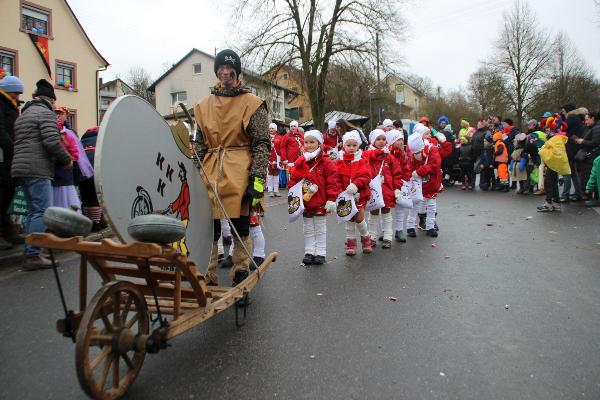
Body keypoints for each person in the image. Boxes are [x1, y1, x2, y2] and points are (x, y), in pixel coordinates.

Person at [192, 49, 270, 288]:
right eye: (221, 69)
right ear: (217, 71)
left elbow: (261, 143)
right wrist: (193, 171)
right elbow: (200, 143)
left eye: (230, 69)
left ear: (236, 73)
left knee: (240, 225)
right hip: (210, 170)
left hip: (240, 169)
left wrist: (257, 180)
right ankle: (208, 273)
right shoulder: (204, 105)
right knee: (209, 227)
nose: (225, 73)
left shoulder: (252, 103)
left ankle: (240, 270)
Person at [11, 79, 72, 270]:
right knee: (41, 212)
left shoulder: (24, 115)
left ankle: (33, 250)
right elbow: (52, 142)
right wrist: (67, 159)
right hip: (37, 168)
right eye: (54, 102)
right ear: (50, 100)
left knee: (32, 211)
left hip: (21, 168)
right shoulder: (45, 114)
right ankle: (34, 254)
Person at [288, 129, 338, 264]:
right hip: (306, 201)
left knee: (320, 228)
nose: (309, 145)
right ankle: (309, 251)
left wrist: (332, 198)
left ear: (319, 144)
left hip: (321, 201)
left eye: (312, 142)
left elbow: (332, 181)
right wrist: (293, 190)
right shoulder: (300, 161)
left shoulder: (326, 161)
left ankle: (320, 252)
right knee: (308, 228)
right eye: (306, 142)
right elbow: (293, 179)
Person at [336, 130, 372, 255]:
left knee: (359, 218)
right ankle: (350, 244)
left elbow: (367, 176)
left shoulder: (363, 159)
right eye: (348, 145)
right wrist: (342, 192)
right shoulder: (339, 161)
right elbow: (337, 179)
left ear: (358, 146)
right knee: (349, 219)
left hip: (360, 195)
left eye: (354, 145)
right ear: (343, 145)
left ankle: (366, 238)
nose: (351, 148)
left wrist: (356, 185)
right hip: (346, 196)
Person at [0, 75, 25, 249]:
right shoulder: (2, 104)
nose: (18, 96)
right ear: (8, 91)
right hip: (3, 156)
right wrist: (13, 149)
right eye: (16, 92)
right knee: (1, 196)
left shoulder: (11, 105)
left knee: (8, 194)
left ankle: (8, 231)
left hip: (10, 158)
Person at [365, 129, 401, 249]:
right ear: (372, 141)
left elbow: (396, 173)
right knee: (373, 213)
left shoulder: (389, 157)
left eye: (383, 139)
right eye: (378, 139)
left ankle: (388, 237)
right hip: (373, 190)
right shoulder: (367, 155)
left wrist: (397, 188)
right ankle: (372, 237)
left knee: (386, 213)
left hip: (386, 190)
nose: (381, 141)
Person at [406, 123, 442, 238]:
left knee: (431, 205)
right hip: (418, 184)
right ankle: (410, 226)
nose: (417, 155)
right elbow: (410, 166)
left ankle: (430, 226)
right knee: (415, 205)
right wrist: (410, 175)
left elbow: (434, 164)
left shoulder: (432, 149)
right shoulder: (414, 152)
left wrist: (419, 172)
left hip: (430, 183)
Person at [52, 107, 81, 210]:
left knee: (66, 198)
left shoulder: (69, 134)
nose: (58, 115)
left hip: (65, 171)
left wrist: (68, 160)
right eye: (56, 113)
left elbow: (75, 153)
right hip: (53, 173)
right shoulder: (50, 133)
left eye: (60, 113)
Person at [79, 126, 106, 231]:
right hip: (96, 172)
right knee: (96, 199)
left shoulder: (82, 140)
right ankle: (96, 224)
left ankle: (87, 222)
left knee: (85, 199)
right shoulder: (101, 140)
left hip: (81, 173)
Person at [386, 129, 411, 242]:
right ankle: (385, 231)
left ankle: (399, 230)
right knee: (385, 208)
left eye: (401, 139)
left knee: (400, 208)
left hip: (399, 183)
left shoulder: (403, 154)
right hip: (388, 183)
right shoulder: (386, 154)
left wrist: (407, 178)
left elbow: (406, 168)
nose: (401, 142)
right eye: (397, 140)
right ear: (391, 142)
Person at [560, 104, 587, 202]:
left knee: (566, 172)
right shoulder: (577, 118)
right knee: (573, 172)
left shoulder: (571, 117)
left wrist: (560, 120)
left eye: (563, 111)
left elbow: (563, 128)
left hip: (570, 148)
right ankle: (578, 193)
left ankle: (565, 195)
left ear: (568, 111)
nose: (562, 113)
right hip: (575, 148)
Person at [574, 111, 600, 194]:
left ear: (593, 118)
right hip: (590, 156)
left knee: (591, 175)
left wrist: (582, 141)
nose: (585, 122)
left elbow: (595, 142)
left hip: (592, 156)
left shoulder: (597, 128)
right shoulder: (592, 128)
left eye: (587, 119)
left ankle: (592, 195)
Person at [266, 122, 282, 197]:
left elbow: (281, 148)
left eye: (272, 128)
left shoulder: (279, 137)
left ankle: (276, 190)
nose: (271, 129)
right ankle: (270, 191)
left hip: (277, 158)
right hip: (269, 157)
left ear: (275, 129)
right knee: (270, 174)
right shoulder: (266, 137)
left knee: (276, 174)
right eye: (270, 128)